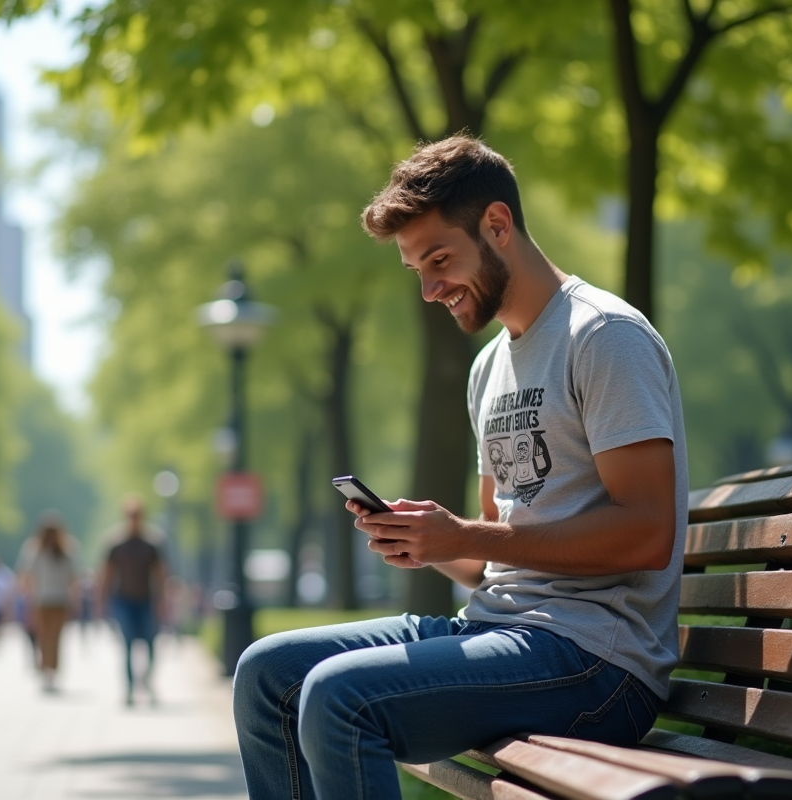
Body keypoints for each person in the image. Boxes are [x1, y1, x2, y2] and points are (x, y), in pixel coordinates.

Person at [232, 135, 688, 800]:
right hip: (500, 627)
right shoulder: (489, 367)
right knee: (265, 673)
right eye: (417, 269)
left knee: (340, 698)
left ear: (497, 226)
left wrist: (467, 535)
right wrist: (428, 543)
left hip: (599, 660)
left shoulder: (604, 337)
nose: (428, 290)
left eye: (439, 259)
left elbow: (649, 534)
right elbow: (496, 559)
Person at [98, 495, 168, 706]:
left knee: (150, 644)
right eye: (131, 515)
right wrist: (101, 600)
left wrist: (162, 600)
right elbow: (107, 574)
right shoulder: (115, 544)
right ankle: (129, 689)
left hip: (147, 600)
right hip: (123, 601)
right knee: (127, 646)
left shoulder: (152, 543)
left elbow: (160, 574)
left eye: (137, 515)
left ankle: (146, 680)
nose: (134, 519)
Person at [16, 512, 79, 692]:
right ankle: (46, 670)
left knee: (55, 638)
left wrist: (74, 599)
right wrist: (27, 598)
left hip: (59, 601)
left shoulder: (67, 549)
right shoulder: (34, 549)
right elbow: (27, 576)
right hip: (42, 601)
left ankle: (51, 671)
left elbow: (72, 577)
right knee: (44, 637)